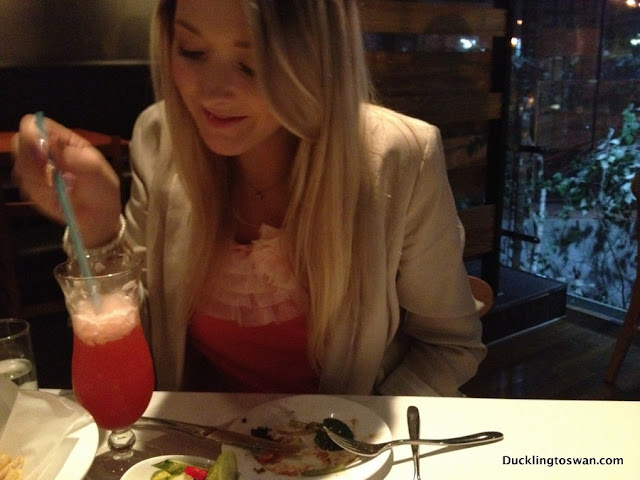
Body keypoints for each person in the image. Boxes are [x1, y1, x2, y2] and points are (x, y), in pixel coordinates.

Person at [11, 0, 486, 396]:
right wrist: (96, 228)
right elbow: (139, 332)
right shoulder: (160, 136)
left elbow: (449, 346)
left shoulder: (400, 157)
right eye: (193, 51)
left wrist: (349, 438)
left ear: (317, 58)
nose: (213, 92)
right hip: (199, 447)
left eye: (253, 62)